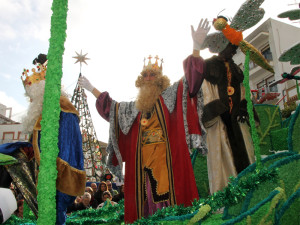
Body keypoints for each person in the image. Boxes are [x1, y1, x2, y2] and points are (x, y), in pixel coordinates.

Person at [79, 19, 210, 223]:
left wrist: (196, 47)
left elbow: (191, 82)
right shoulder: (134, 108)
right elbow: (112, 109)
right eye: (146, 75)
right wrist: (92, 89)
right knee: (144, 200)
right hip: (140, 163)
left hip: (167, 160)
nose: (149, 77)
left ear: (160, 78)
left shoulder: (171, 95)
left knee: (169, 196)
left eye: (153, 74)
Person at [0, 54, 86, 225]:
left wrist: (54, 171)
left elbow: (68, 146)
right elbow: (36, 145)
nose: (30, 100)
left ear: (42, 91)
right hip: (38, 172)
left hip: (55, 177)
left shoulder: (63, 109)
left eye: (32, 96)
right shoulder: (40, 114)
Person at [200, 42, 259, 194]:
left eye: (234, 49)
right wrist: (221, 112)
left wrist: (243, 107)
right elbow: (205, 93)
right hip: (219, 123)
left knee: (246, 154)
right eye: (230, 47)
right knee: (223, 159)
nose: (233, 51)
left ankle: (250, 193)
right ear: (221, 45)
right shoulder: (208, 67)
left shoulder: (237, 69)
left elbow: (245, 91)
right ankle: (226, 198)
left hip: (238, 124)